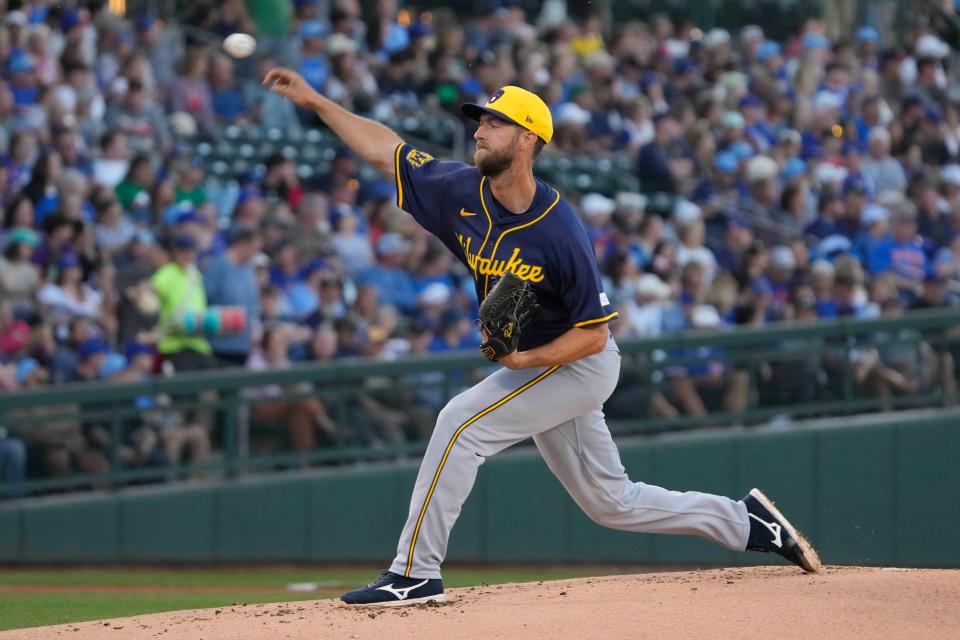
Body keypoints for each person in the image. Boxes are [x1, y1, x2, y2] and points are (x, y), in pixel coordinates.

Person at [264, 67, 821, 608]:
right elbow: (384, 150)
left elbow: (596, 338)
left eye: (495, 123)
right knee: (611, 502)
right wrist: (317, 102)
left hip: (576, 361)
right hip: (544, 365)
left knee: (459, 423)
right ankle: (746, 523)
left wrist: (523, 357)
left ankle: (414, 572)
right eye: (480, 121)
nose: (479, 130)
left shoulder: (559, 229)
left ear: (527, 139)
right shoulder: (459, 190)